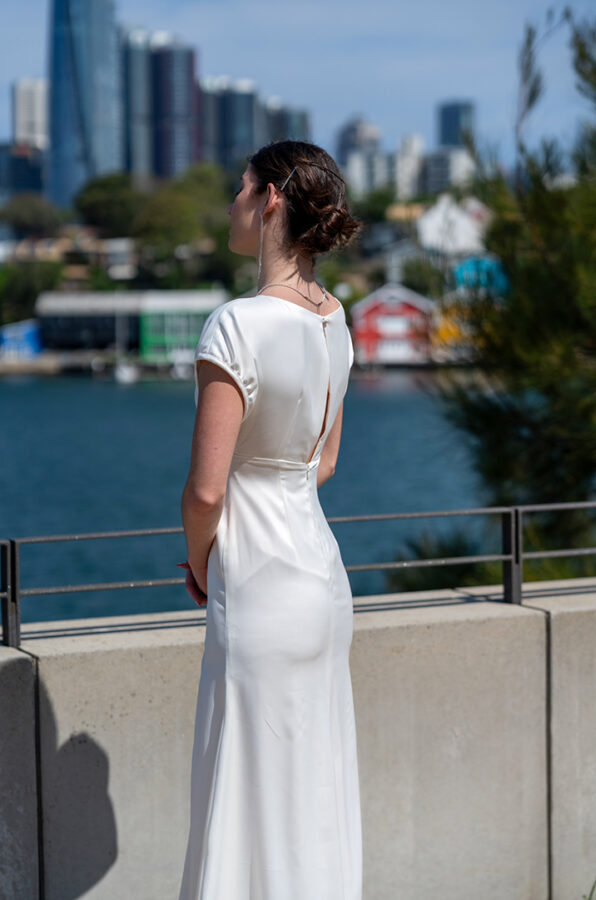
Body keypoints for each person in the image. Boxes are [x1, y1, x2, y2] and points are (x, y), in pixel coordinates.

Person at [178, 140, 362, 900]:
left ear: (272, 200)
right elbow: (322, 465)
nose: (232, 203)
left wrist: (200, 563)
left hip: (255, 583)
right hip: (320, 579)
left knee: (244, 798)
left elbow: (207, 493)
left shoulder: (237, 326)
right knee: (310, 799)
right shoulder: (335, 319)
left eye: (240, 188)